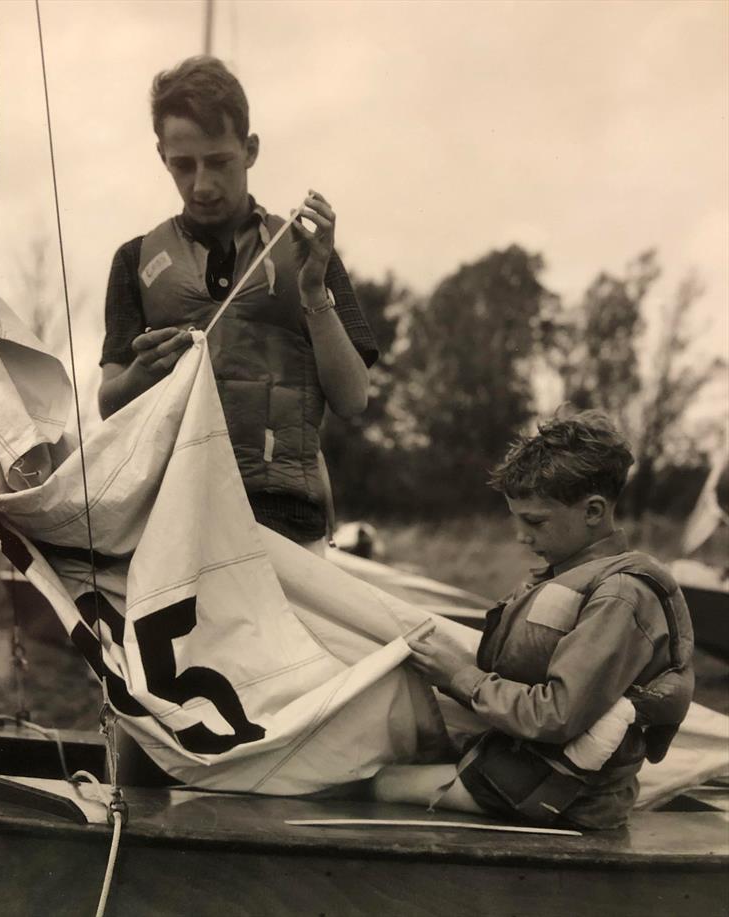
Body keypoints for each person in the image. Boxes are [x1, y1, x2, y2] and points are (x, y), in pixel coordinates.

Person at [98, 56, 377, 551]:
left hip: (289, 522)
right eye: (183, 165)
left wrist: (313, 292)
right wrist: (142, 373)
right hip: (173, 516)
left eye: (218, 162)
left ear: (249, 150)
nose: (202, 185)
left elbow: (354, 398)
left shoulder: (307, 249)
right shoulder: (133, 260)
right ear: (162, 155)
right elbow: (109, 407)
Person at [374, 409, 694, 830]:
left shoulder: (621, 595)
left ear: (594, 511)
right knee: (386, 753)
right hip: (528, 769)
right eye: (516, 519)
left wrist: (459, 678)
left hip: (565, 795)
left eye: (535, 521)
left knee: (378, 783)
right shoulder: (571, 576)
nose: (522, 536)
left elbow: (557, 714)